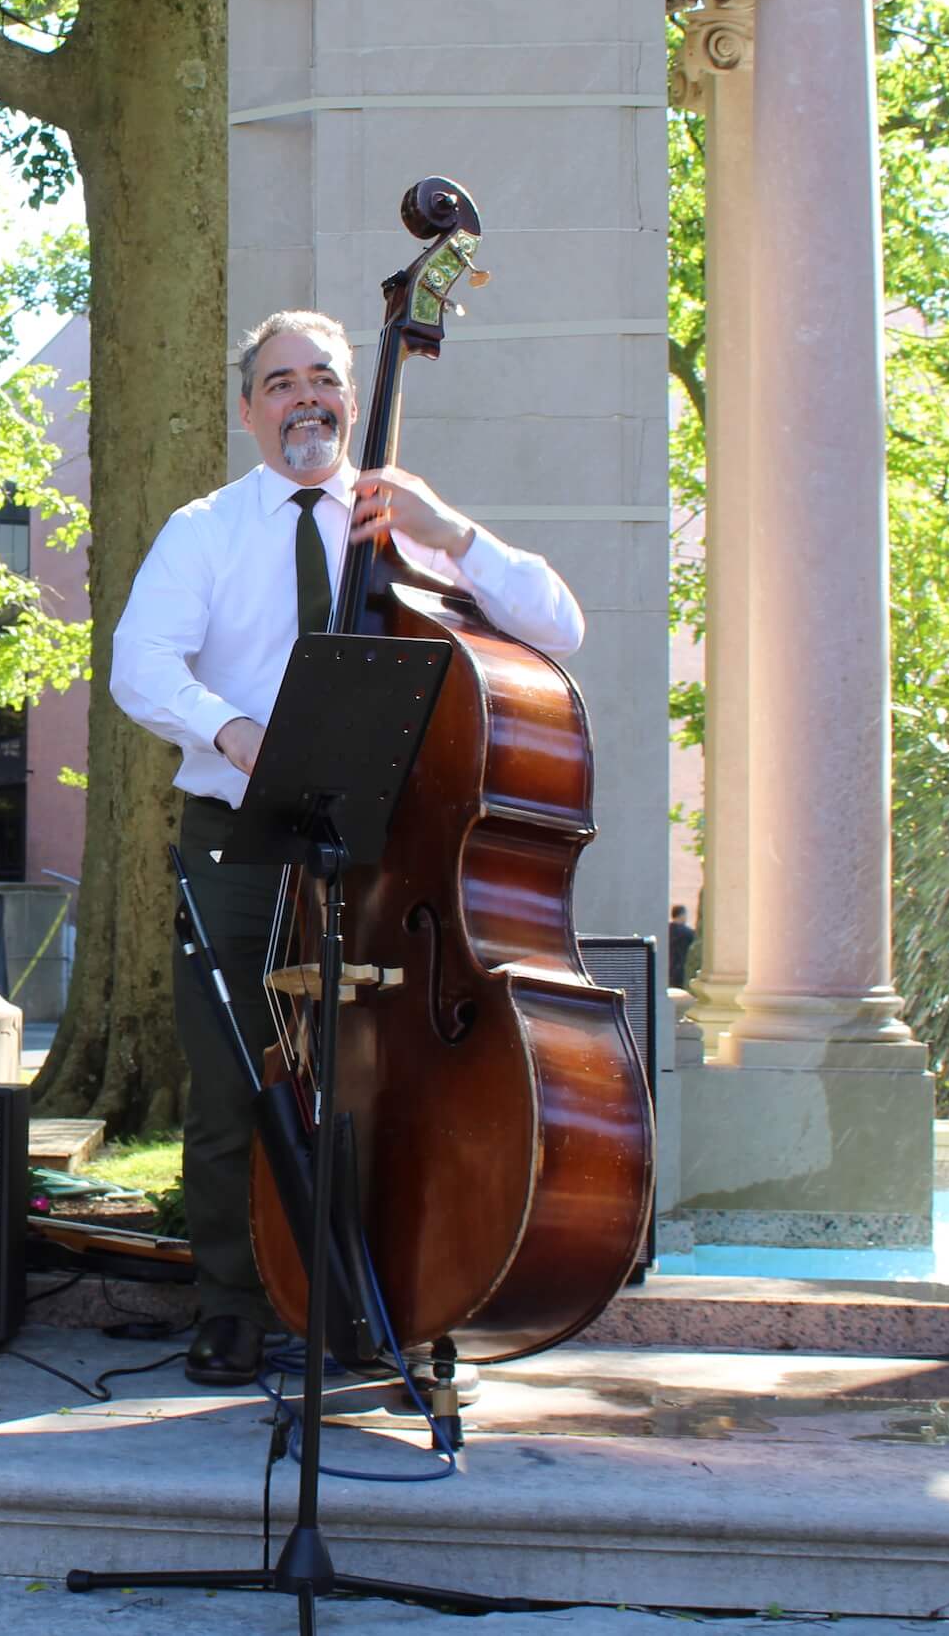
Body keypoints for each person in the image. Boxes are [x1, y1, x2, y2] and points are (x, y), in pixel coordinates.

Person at [109, 309, 586, 1388]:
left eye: (323, 378)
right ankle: (232, 1303)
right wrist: (231, 729)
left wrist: (452, 530)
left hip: (391, 849)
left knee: (391, 1072)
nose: (305, 399)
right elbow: (140, 664)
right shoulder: (206, 528)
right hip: (238, 831)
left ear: (351, 396)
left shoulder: (400, 522)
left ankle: (393, 1288)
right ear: (247, 410)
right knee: (237, 1078)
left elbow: (557, 625)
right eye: (279, 383)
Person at [667, 904, 696, 991]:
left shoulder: (666, 930)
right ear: (682, 915)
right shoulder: (688, 933)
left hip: (668, 969)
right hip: (681, 970)